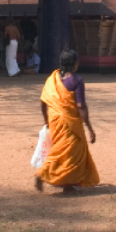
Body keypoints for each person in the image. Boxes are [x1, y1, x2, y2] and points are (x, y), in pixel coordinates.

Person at [35, 49, 99, 193]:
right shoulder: (77, 80)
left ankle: (66, 184)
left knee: (59, 149)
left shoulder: (53, 79)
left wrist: (47, 120)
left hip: (55, 119)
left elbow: (43, 101)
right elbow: (81, 106)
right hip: (69, 122)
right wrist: (89, 128)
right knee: (71, 151)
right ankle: (45, 174)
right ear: (75, 64)